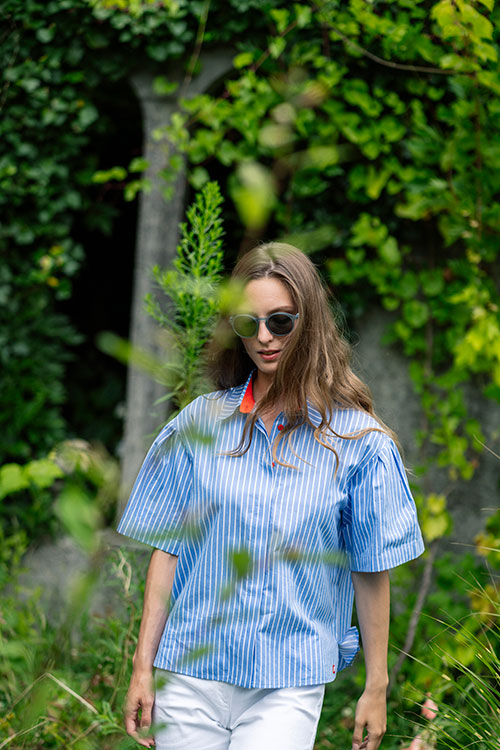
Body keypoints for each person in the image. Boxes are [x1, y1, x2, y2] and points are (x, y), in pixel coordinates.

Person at [116, 242, 425, 750]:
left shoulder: (359, 445)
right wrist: (142, 667)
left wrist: (377, 684)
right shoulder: (200, 423)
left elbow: (371, 568)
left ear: (310, 321)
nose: (263, 338)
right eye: (247, 324)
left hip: (287, 686)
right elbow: (167, 549)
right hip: (189, 674)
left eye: (280, 322)